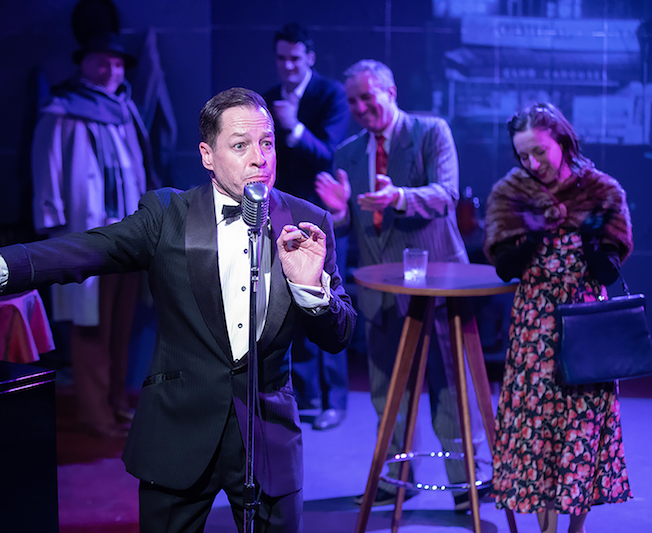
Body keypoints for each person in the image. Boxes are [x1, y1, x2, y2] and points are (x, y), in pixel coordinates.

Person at [0, 87, 356, 533]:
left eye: (267, 143)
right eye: (241, 145)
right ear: (207, 156)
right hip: (178, 430)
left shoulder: (307, 222)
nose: (260, 158)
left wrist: (310, 290)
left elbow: (338, 335)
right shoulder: (167, 215)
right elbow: (81, 251)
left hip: (266, 439)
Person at [314, 59, 486, 510]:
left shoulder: (431, 132)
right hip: (380, 288)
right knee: (387, 389)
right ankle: (395, 479)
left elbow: (447, 195)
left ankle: (468, 482)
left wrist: (401, 197)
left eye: (368, 97)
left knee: (449, 384)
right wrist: (337, 214)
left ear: (390, 91)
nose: (360, 107)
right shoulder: (348, 152)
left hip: (439, 280)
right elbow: (349, 224)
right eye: (352, 101)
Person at [483, 102, 633, 533]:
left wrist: (588, 234)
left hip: (587, 323)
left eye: (540, 152)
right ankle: (547, 527)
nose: (533, 163)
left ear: (562, 141)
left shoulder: (600, 191)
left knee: (582, 425)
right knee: (538, 428)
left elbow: (607, 270)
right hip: (536, 325)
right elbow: (505, 266)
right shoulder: (512, 193)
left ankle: (575, 527)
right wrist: (536, 231)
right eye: (523, 155)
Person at [31, 31, 157, 437]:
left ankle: (117, 402)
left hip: (129, 234)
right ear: (83, 64)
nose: (111, 70)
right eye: (102, 62)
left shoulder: (125, 108)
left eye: (118, 64)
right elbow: (48, 174)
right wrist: (53, 234)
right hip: (88, 235)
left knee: (121, 324)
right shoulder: (63, 111)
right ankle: (95, 414)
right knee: (91, 329)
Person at [262, 22, 351, 430]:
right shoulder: (266, 99)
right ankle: (307, 396)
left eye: (296, 58)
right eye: (282, 58)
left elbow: (328, 152)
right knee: (289, 305)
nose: (288, 66)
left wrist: (295, 127)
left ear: (309, 58)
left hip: (322, 216)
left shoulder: (329, 94)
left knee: (328, 301)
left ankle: (336, 399)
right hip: (280, 215)